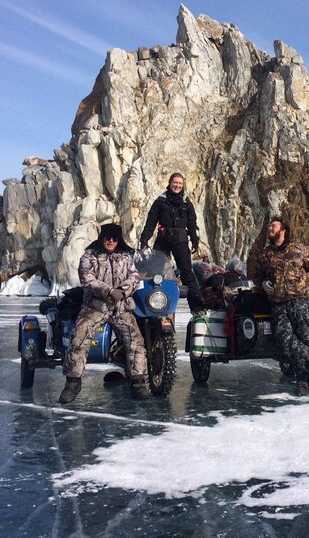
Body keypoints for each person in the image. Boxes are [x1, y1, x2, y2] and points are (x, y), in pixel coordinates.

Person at [59, 223, 151, 403]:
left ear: (119, 240)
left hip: (121, 308)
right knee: (79, 336)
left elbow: (134, 277)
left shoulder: (126, 257)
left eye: (114, 238)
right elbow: (87, 279)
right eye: (108, 237)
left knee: (135, 341)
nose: (110, 241)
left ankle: (139, 383)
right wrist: (108, 291)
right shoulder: (89, 256)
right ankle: (72, 382)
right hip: (95, 307)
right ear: (102, 238)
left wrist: (122, 292)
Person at [254, 216, 309, 396]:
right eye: (269, 226)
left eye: (273, 226)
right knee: (284, 342)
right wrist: (263, 283)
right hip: (278, 304)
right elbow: (256, 276)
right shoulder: (266, 254)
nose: (270, 229)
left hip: (300, 302)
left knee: (306, 339)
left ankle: (304, 382)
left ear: (283, 230)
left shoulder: (299, 249)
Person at [139, 172, 204, 313]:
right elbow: (151, 222)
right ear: (169, 183)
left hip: (180, 240)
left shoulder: (187, 202)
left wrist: (194, 239)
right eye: (175, 183)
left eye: (180, 183)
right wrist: (144, 239)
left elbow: (192, 223)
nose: (177, 186)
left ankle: (197, 307)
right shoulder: (160, 201)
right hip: (163, 239)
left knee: (187, 272)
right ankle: (151, 304)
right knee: (153, 270)